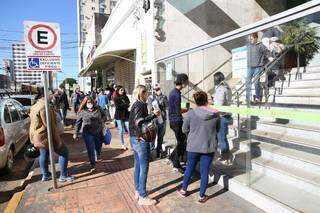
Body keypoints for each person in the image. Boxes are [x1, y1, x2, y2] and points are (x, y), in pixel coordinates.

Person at [177, 91, 219, 203]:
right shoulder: (215, 114)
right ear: (206, 100)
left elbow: (184, 129)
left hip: (193, 146)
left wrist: (192, 134)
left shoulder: (190, 114)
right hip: (208, 146)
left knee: (189, 168)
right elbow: (217, 129)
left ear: (195, 101)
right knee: (204, 171)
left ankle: (184, 190)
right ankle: (201, 196)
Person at [29, 88, 73, 182]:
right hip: (46, 136)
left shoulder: (35, 105)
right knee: (64, 152)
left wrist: (32, 138)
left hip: (39, 136)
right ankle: (63, 176)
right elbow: (50, 125)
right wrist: (58, 140)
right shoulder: (44, 107)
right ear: (44, 95)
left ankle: (46, 175)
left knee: (43, 154)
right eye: (50, 94)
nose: (52, 96)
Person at [129, 85, 161, 206]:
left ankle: (138, 191)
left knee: (138, 166)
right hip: (140, 139)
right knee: (144, 167)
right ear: (142, 93)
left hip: (135, 138)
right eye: (146, 92)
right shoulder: (140, 105)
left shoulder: (135, 104)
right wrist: (153, 115)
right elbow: (139, 121)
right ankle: (142, 195)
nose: (148, 94)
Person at [74, 96, 107, 171]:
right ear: (85, 103)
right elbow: (78, 123)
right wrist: (76, 133)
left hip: (98, 131)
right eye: (88, 103)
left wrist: (102, 120)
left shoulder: (98, 108)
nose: (90, 104)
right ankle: (93, 164)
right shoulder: (82, 111)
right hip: (87, 132)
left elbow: (104, 115)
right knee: (90, 148)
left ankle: (97, 153)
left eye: (91, 102)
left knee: (98, 146)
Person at [168, 73, 189, 173]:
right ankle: (176, 163)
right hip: (176, 121)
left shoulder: (173, 92)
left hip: (173, 121)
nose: (187, 84)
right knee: (183, 142)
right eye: (186, 82)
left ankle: (172, 157)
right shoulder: (176, 94)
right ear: (182, 82)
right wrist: (188, 109)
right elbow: (177, 111)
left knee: (181, 141)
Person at [213, 72, 233, 164]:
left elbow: (219, 104)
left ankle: (225, 156)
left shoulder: (221, 89)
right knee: (221, 136)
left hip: (222, 115)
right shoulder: (227, 87)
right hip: (225, 114)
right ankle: (224, 154)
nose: (214, 81)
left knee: (221, 137)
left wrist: (211, 104)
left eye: (215, 79)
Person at [147, 84, 168, 158]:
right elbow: (150, 108)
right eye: (155, 89)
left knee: (161, 137)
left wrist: (162, 98)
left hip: (162, 119)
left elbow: (167, 106)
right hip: (154, 120)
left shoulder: (164, 97)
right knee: (153, 137)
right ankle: (151, 153)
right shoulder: (150, 97)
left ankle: (158, 152)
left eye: (158, 89)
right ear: (153, 89)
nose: (157, 90)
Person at [247, 32, 268, 103]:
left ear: (256, 38)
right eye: (249, 39)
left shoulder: (260, 45)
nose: (250, 40)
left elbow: (267, 52)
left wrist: (265, 60)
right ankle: (248, 98)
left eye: (251, 39)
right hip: (250, 67)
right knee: (248, 82)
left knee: (256, 82)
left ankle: (258, 98)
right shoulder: (248, 46)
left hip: (258, 67)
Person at [114, 86, 130, 150]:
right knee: (121, 130)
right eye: (121, 90)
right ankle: (122, 144)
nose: (122, 91)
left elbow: (128, 104)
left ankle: (132, 143)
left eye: (123, 90)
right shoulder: (116, 98)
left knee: (129, 128)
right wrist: (125, 105)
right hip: (119, 116)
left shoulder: (126, 97)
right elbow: (118, 107)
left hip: (126, 115)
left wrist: (124, 105)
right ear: (118, 91)